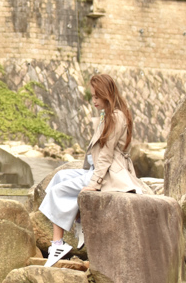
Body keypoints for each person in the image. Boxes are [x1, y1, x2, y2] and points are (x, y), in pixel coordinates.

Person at [39, 74, 152, 267]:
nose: (94, 101)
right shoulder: (108, 115)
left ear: (107, 95)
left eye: (97, 97)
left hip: (108, 173)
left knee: (59, 192)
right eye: (92, 97)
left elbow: (107, 156)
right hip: (96, 168)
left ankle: (58, 244)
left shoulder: (116, 117)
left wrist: (93, 185)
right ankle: (79, 221)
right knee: (58, 177)